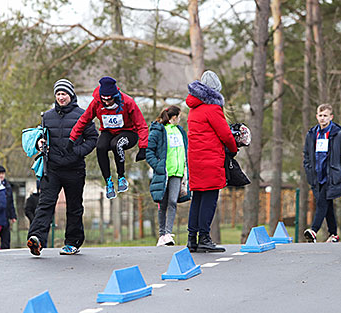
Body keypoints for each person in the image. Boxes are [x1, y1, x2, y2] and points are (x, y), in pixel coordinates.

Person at [27, 78, 98, 256]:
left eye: (64, 93)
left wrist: (78, 152)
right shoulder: (47, 116)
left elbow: (93, 139)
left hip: (75, 169)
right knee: (45, 203)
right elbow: (41, 136)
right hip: (52, 169)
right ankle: (36, 238)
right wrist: (39, 143)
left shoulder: (83, 114)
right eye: (58, 94)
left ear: (71, 95)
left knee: (74, 207)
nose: (61, 97)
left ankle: (72, 242)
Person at [68, 76, 148, 199]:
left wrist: (143, 147)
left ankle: (121, 177)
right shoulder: (96, 102)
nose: (106, 103)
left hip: (129, 132)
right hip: (108, 132)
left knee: (116, 144)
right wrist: (72, 139)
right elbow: (83, 120)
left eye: (109, 100)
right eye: (104, 100)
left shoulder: (127, 102)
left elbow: (141, 125)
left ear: (114, 96)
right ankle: (108, 182)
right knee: (100, 146)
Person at [186, 70, 237, 253]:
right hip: (210, 159)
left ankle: (192, 239)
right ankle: (205, 237)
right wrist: (233, 148)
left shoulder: (193, 108)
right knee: (210, 198)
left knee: (197, 198)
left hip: (195, 159)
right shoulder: (213, 109)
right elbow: (225, 134)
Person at [146, 105, 191, 247]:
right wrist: (158, 166)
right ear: (173, 117)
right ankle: (161, 235)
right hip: (164, 173)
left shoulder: (180, 131)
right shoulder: (159, 131)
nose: (180, 118)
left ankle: (168, 233)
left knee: (172, 201)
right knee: (162, 203)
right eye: (179, 116)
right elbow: (149, 152)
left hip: (178, 173)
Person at [303, 103, 341, 243]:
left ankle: (314, 230)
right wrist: (309, 170)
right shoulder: (311, 134)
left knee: (322, 202)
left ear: (331, 117)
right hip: (316, 175)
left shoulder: (338, 135)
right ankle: (333, 234)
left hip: (332, 176)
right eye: (320, 116)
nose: (322, 118)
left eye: (325, 116)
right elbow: (307, 156)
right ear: (316, 116)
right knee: (327, 205)